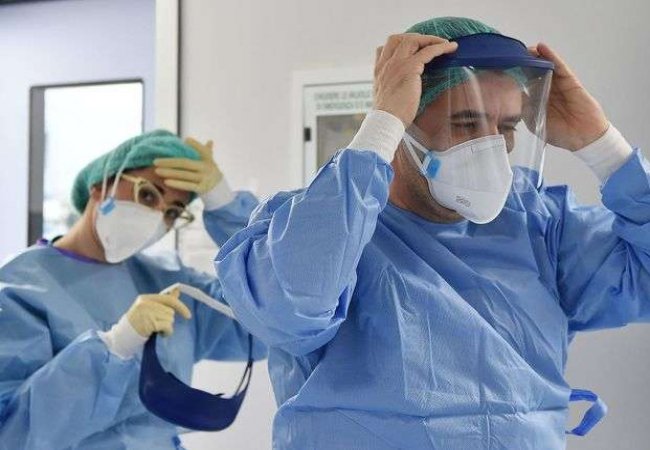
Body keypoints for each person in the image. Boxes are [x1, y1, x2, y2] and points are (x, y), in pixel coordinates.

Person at [215, 17, 650, 449]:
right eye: (466, 123)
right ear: (405, 127)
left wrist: (603, 147)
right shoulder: (317, 225)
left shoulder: (539, 225)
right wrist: (381, 124)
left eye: (506, 128)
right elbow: (289, 309)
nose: (491, 148)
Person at [0, 130, 266, 449]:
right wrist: (115, 345)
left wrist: (225, 206)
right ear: (100, 187)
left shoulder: (170, 281)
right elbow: (12, 432)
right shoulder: (20, 289)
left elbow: (270, 320)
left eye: (172, 212)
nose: (157, 217)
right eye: (148, 195)